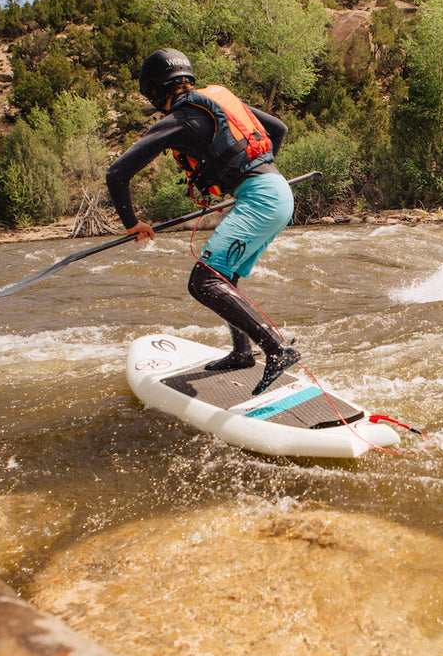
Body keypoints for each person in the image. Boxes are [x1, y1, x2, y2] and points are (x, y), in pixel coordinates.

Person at [106, 48, 300, 396]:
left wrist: (132, 223)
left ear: (153, 90)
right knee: (225, 279)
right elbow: (278, 129)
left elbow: (117, 173)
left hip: (261, 197)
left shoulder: (177, 119)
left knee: (203, 282)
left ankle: (277, 349)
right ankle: (243, 353)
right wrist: (248, 174)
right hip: (278, 191)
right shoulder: (216, 100)